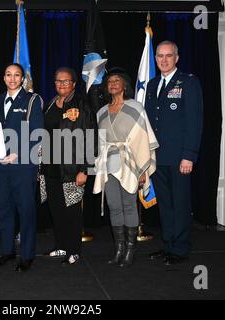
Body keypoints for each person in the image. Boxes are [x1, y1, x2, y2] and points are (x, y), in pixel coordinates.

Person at [145, 41, 203, 265]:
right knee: (166, 204)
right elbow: (149, 123)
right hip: (158, 157)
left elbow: (194, 121)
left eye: (169, 56)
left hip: (180, 157)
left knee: (180, 204)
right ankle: (168, 244)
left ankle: (180, 249)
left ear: (177, 58)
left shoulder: (188, 82)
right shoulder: (152, 85)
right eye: (160, 56)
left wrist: (189, 154)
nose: (164, 60)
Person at [93, 67, 158, 267]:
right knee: (114, 206)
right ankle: (119, 249)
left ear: (124, 85)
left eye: (116, 80)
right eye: (109, 81)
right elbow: (101, 142)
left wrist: (142, 170)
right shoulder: (101, 112)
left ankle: (130, 250)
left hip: (131, 164)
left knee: (129, 205)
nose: (112, 84)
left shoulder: (135, 107)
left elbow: (143, 140)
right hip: (110, 163)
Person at [0, 63, 44, 272]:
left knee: (26, 210)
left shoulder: (32, 100)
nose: (12, 79)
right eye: (8, 75)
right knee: (3, 209)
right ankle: (7, 251)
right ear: (3, 77)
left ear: (23, 79)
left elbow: (37, 134)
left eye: (17, 75)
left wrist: (18, 154)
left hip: (22, 164)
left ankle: (27, 255)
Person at [41, 67, 97, 265]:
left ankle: (74, 250)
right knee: (56, 209)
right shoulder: (50, 104)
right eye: (57, 81)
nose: (61, 84)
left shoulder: (81, 104)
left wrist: (85, 169)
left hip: (72, 168)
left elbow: (90, 137)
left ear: (74, 84)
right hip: (50, 167)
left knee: (72, 211)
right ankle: (62, 246)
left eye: (65, 81)